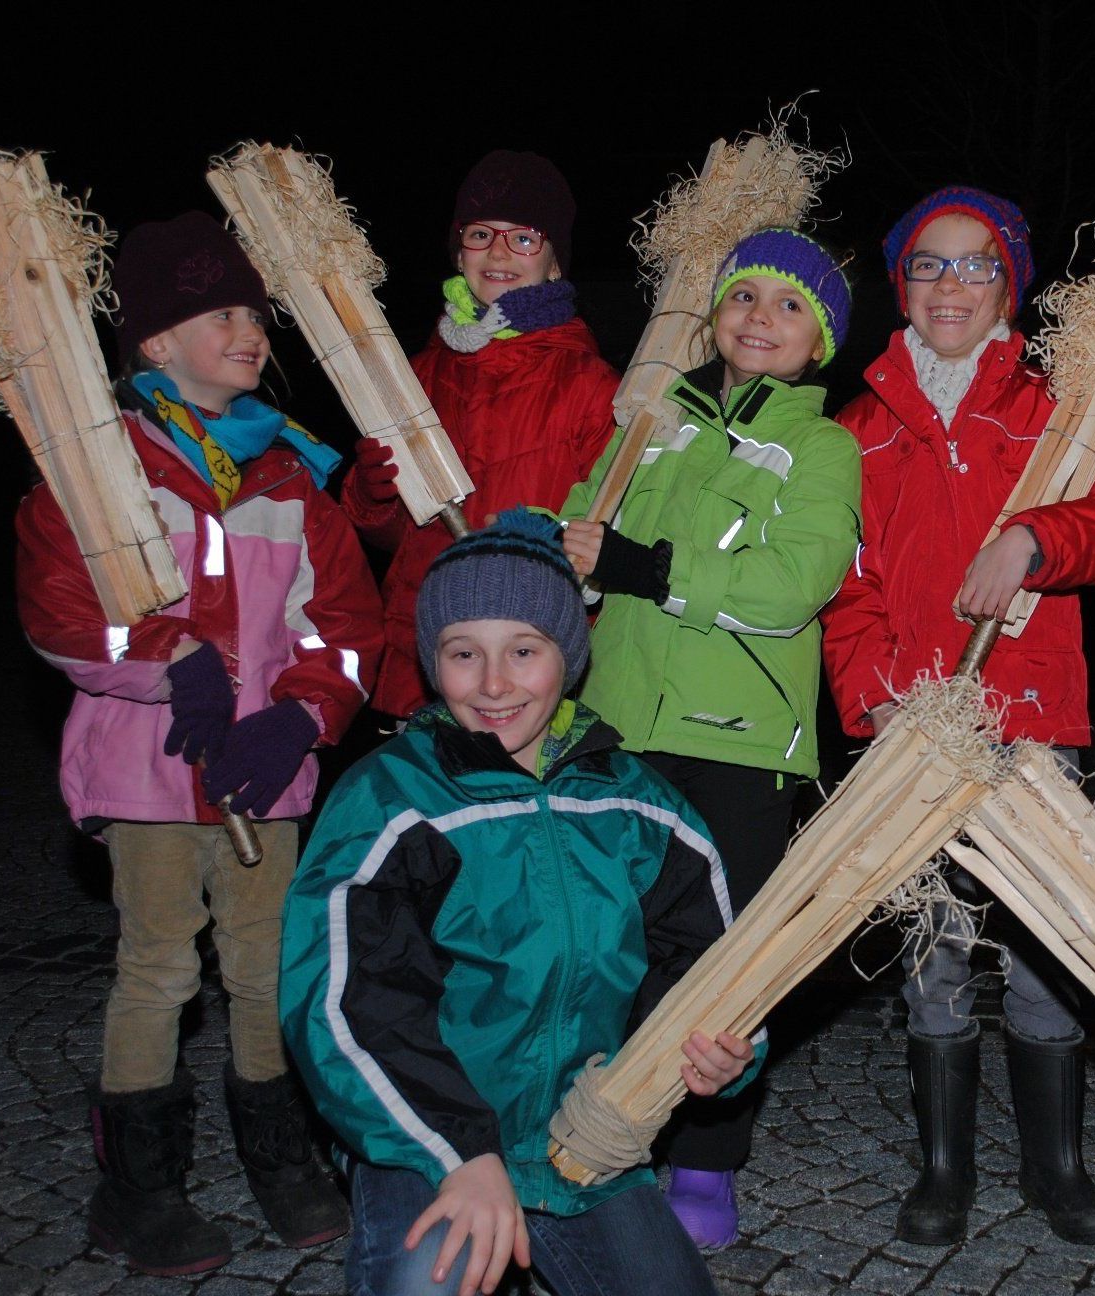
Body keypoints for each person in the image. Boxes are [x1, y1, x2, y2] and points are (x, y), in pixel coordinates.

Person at [15, 212, 382, 1275]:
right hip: (147, 772)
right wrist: (167, 653)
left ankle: (281, 1155)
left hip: (265, 780)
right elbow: (58, 610)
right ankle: (137, 1188)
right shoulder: (99, 474)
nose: (251, 331)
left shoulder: (287, 482)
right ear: (156, 345)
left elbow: (346, 633)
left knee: (269, 968)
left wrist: (299, 715)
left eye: (256, 315)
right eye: (221, 314)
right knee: (160, 969)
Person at [279, 509, 758, 1296]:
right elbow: (344, 1002)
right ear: (434, 664)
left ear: (567, 658)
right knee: (427, 1283)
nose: (494, 684)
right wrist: (460, 1156)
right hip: (427, 1137)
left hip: (582, 1143)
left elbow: (713, 962)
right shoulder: (393, 803)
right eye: (464, 653)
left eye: (523, 652)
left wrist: (721, 1052)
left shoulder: (641, 807)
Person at [821, 186, 1095, 1246]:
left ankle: (1057, 1168)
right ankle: (945, 1165)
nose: (950, 285)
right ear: (900, 283)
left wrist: (1038, 540)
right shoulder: (861, 426)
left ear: (1010, 283)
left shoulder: (1058, 405)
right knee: (939, 946)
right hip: (920, 720)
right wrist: (874, 697)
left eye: (974, 266)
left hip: (1031, 716)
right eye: (928, 264)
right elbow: (847, 579)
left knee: (1051, 943)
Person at [560, 226, 862, 1247]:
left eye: (789, 305)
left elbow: (792, 588)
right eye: (745, 297)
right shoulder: (652, 422)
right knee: (610, 941)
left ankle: (708, 1157)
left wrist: (648, 569)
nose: (760, 318)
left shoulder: (826, 445)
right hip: (618, 722)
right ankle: (609, 1134)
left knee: (723, 962)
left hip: (737, 742)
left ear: (818, 340)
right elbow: (582, 531)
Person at [343, 149, 619, 720]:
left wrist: (555, 541)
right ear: (457, 250)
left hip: (526, 674)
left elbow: (612, 532)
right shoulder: (412, 377)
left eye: (524, 238)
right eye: (480, 233)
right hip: (423, 662)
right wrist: (372, 498)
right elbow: (399, 542)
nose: (498, 251)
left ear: (554, 263)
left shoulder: (593, 387)